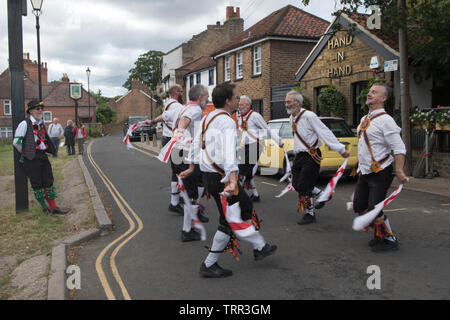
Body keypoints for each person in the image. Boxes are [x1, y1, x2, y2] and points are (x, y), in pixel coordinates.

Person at [190, 83, 277, 278]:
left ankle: (260, 247)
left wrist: (191, 167)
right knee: (228, 222)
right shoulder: (227, 121)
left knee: (245, 207)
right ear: (228, 100)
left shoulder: (208, 118)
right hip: (221, 178)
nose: (239, 101)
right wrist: (232, 179)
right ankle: (209, 264)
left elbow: (196, 145)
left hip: (211, 175)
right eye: (236, 98)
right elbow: (229, 155)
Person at [353, 83, 407, 252]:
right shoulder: (364, 119)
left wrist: (399, 170)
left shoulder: (386, 120)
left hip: (381, 171)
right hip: (365, 172)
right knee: (359, 206)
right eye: (369, 92)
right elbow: (363, 146)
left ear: (383, 99)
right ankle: (379, 234)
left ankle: (390, 239)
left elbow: (399, 148)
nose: (369, 94)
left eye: (374, 92)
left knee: (374, 209)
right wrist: (359, 166)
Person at [285, 91, 349, 225]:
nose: (286, 104)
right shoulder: (292, 118)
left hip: (312, 155)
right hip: (299, 156)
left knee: (303, 185)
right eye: (286, 102)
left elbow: (324, 132)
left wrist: (340, 149)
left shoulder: (309, 116)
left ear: (297, 102)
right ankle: (323, 193)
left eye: (288, 102)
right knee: (295, 184)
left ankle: (310, 214)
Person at [13, 100, 68, 215]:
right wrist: (26, 152)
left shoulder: (41, 123)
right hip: (31, 157)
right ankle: (44, 208)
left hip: (43, 155)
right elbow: (16, 142)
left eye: (41, 108)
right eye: (38, 108)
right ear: (31, 111)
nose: (40, 110)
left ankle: (53, 208)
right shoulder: (24, 124)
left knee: (48, 181)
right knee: (37, 184)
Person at [172, 84, 209, 242]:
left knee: (200, 183)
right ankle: (187, 231)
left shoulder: (183, 108)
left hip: (179, 152)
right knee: (191, 193)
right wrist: (180, 132)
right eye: (206, 97)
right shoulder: (195, 110)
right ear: (200, 97)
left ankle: (195, 215)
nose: (207, 99)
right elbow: (184, 122)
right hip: (185, 153)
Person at [145, 84, 184, 214]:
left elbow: (164, 116)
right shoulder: (177, 106)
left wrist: (152, 121)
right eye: (182, 91)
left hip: (167, 139)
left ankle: (181, 197)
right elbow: (167, 117)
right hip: (174, 141)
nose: (183, 93)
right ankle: (175, 202)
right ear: (177, 93)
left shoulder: (168, 104)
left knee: (179, 169)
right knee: (181, 170)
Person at [237, 95, 283, 202]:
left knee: (241, 171)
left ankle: (237, 197)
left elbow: (266, 129)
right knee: (247, 173)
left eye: (242, 104)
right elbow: (241, 133)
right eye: (239, 104)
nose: (239, 106)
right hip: (246, 147)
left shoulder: (255, 116)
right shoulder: (241, 117)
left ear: (248, 105)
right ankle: (256, 195)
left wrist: (278, 141)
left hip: (255, 146)